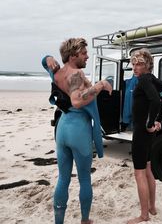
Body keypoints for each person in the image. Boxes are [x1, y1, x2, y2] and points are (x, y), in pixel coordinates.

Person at [42, 38, 112, 224]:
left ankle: (59, 221)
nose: (87, 56)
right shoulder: (76, 74)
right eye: (83, 53)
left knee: (63, 179)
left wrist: (48, 57)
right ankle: (85, 220)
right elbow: (78, 101)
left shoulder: (57, 72)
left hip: (62, 127)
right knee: (84, 179)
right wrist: (100, 85)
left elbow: (45, 62)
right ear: (73, 56)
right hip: (78, 129)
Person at [127, 48, 162, 224]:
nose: (135, 67)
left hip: (141, 132)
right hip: (148, 134)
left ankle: (144, 215)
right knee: (148, 169)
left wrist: (151, 122)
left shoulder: (144, 80)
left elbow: (156, 100)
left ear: (148, 65)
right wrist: (158, 121)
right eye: (134, 64)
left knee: (139, 173)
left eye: (140, 64)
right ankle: (151, 208)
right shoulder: (152, 79)